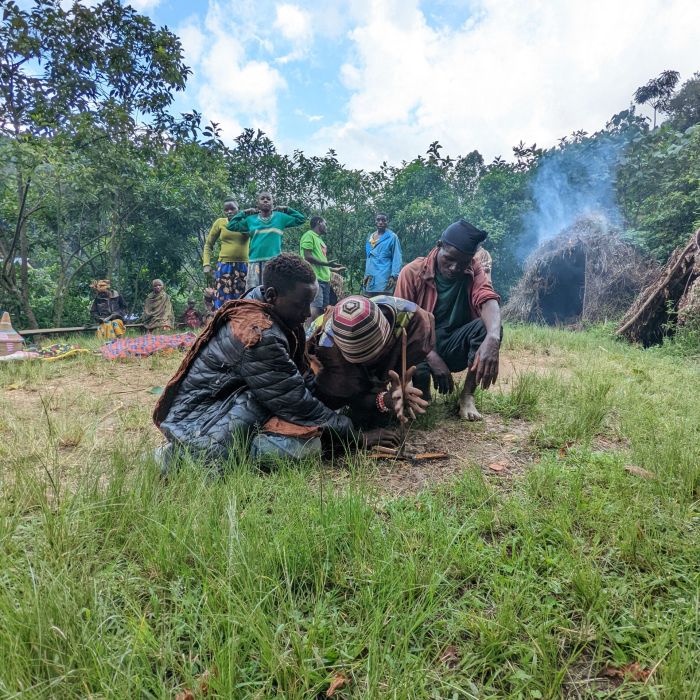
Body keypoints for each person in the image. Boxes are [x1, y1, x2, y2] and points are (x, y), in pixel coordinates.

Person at [154, 254, 397, 468]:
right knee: (296, 449)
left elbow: (299, 384)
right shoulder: (259, 335)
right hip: (201, 421)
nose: (306, 313)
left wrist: (367, 405)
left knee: (306, 434)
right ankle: (178, 456)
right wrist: (356, 437)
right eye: (301, 304)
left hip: (226, 407)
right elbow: (294, 401)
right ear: (272, 295)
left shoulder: (272, 312)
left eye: (309, 304)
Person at [395, 219, 502, 421]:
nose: (455, 268)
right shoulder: (411, 273)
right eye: (450, 259)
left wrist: (493, 337)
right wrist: (432, 357)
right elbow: (402, 326)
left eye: (463, 263)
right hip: (419, 348)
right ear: (439, 246)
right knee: (421, 405)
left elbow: (488, 299)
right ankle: (420, 389)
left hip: (452, 344)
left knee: (487, 328)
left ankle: (467, 397)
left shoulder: (473, 269)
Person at [306, 295, 433, 425]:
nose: (372, 361)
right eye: (364, 360)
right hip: (338, 366)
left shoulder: (412, 319)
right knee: (351, 405)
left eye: (377, 355)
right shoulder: (328, 351)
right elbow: (345, 398)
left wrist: (404, 382)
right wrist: (385, 400)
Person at [227, 192, 306, 289]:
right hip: (254, 262)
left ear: (273, 203)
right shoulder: (250, 219)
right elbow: (231, 226)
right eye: (262, 199)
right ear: (258, 204)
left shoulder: (280, 217)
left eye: (268, 199)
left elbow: (301, 219)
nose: (265, 200)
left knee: (273, 292)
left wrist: (286, 209)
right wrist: (245, 212)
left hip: (274, 263)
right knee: (253, 293)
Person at [203, 200, 249, 308]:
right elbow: (208, 244)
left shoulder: (246, 222)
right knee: (223, 298)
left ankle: (242, 323)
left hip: (243, 267)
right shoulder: (220, 222)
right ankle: (223, 323)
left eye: (232, 208)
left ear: (238, 209)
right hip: (224, 266)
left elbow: (256, 236)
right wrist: (206, 264)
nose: (229, 211)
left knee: (243, 299)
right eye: (226, 209)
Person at [299, 216, 345, 323]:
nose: (326, 227)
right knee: (315, 308)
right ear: (319, 222)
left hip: (325, 280)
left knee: (324, 310)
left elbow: (319, 261)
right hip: (315, 278)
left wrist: (332, 269)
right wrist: (327, 263)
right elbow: (307, 257)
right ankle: (309, 335)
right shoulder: (309, 235)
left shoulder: (319, 239)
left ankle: (318, 335)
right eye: (325, 223)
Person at [362, 213, 402, 296]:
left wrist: (394, 276)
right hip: (369, 279)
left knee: (383, 305)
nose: (381, 222)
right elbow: (369, 258)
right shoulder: (370, 238)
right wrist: (366, 274)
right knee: (370, 305)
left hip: (384, 279)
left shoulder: (392, 237)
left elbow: (397, 257)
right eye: (378, 220)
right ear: (375, 222)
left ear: (387, 222)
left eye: (383, 220)